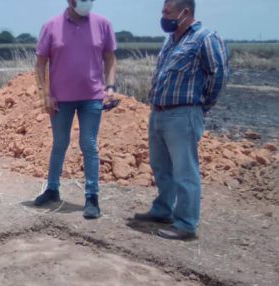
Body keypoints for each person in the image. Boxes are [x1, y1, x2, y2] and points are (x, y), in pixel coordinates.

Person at [134, 0, 229, 240]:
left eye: (168, 12)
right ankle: (163, 210)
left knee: (185, 170)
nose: (163, 16)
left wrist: (200, 107)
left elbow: (218, 75)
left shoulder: (205, 38)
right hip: (159, 112)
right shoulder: (172, 40)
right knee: (160, 166)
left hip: (182, 114)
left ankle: (186, 223)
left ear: (185, 12)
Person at [33, 0, 117, 219]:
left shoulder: (103, 24)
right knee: (60, 143)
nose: (87, 2)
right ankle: (52, 189)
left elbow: (110, 58)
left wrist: (110, 86)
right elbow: (40, 63)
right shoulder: (51, 26)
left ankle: (92, 197)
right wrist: (45, 95)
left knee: (88, 144)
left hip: (92, 97)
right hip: (61, 99)